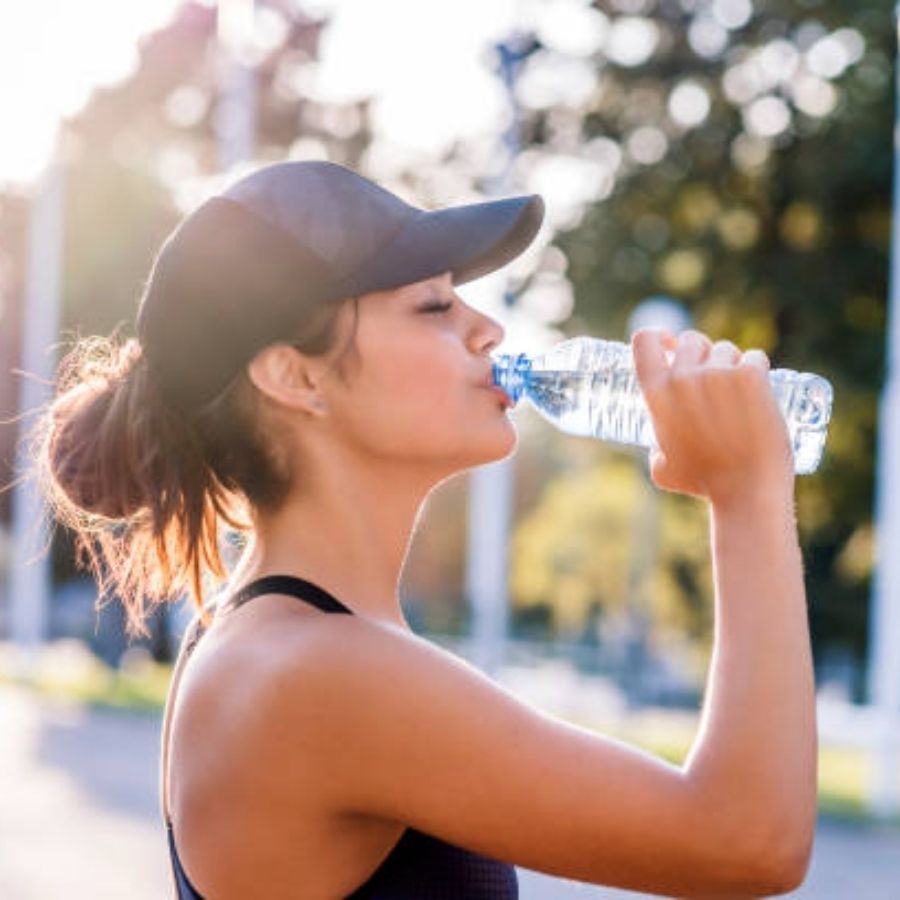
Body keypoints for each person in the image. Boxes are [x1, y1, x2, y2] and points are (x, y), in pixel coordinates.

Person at [29, 160, 816, 898]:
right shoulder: (314, 674)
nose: (489, 331)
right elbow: (747, 839)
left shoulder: (283, 643)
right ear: (295, 375)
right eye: (436, 306)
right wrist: (746, 495)